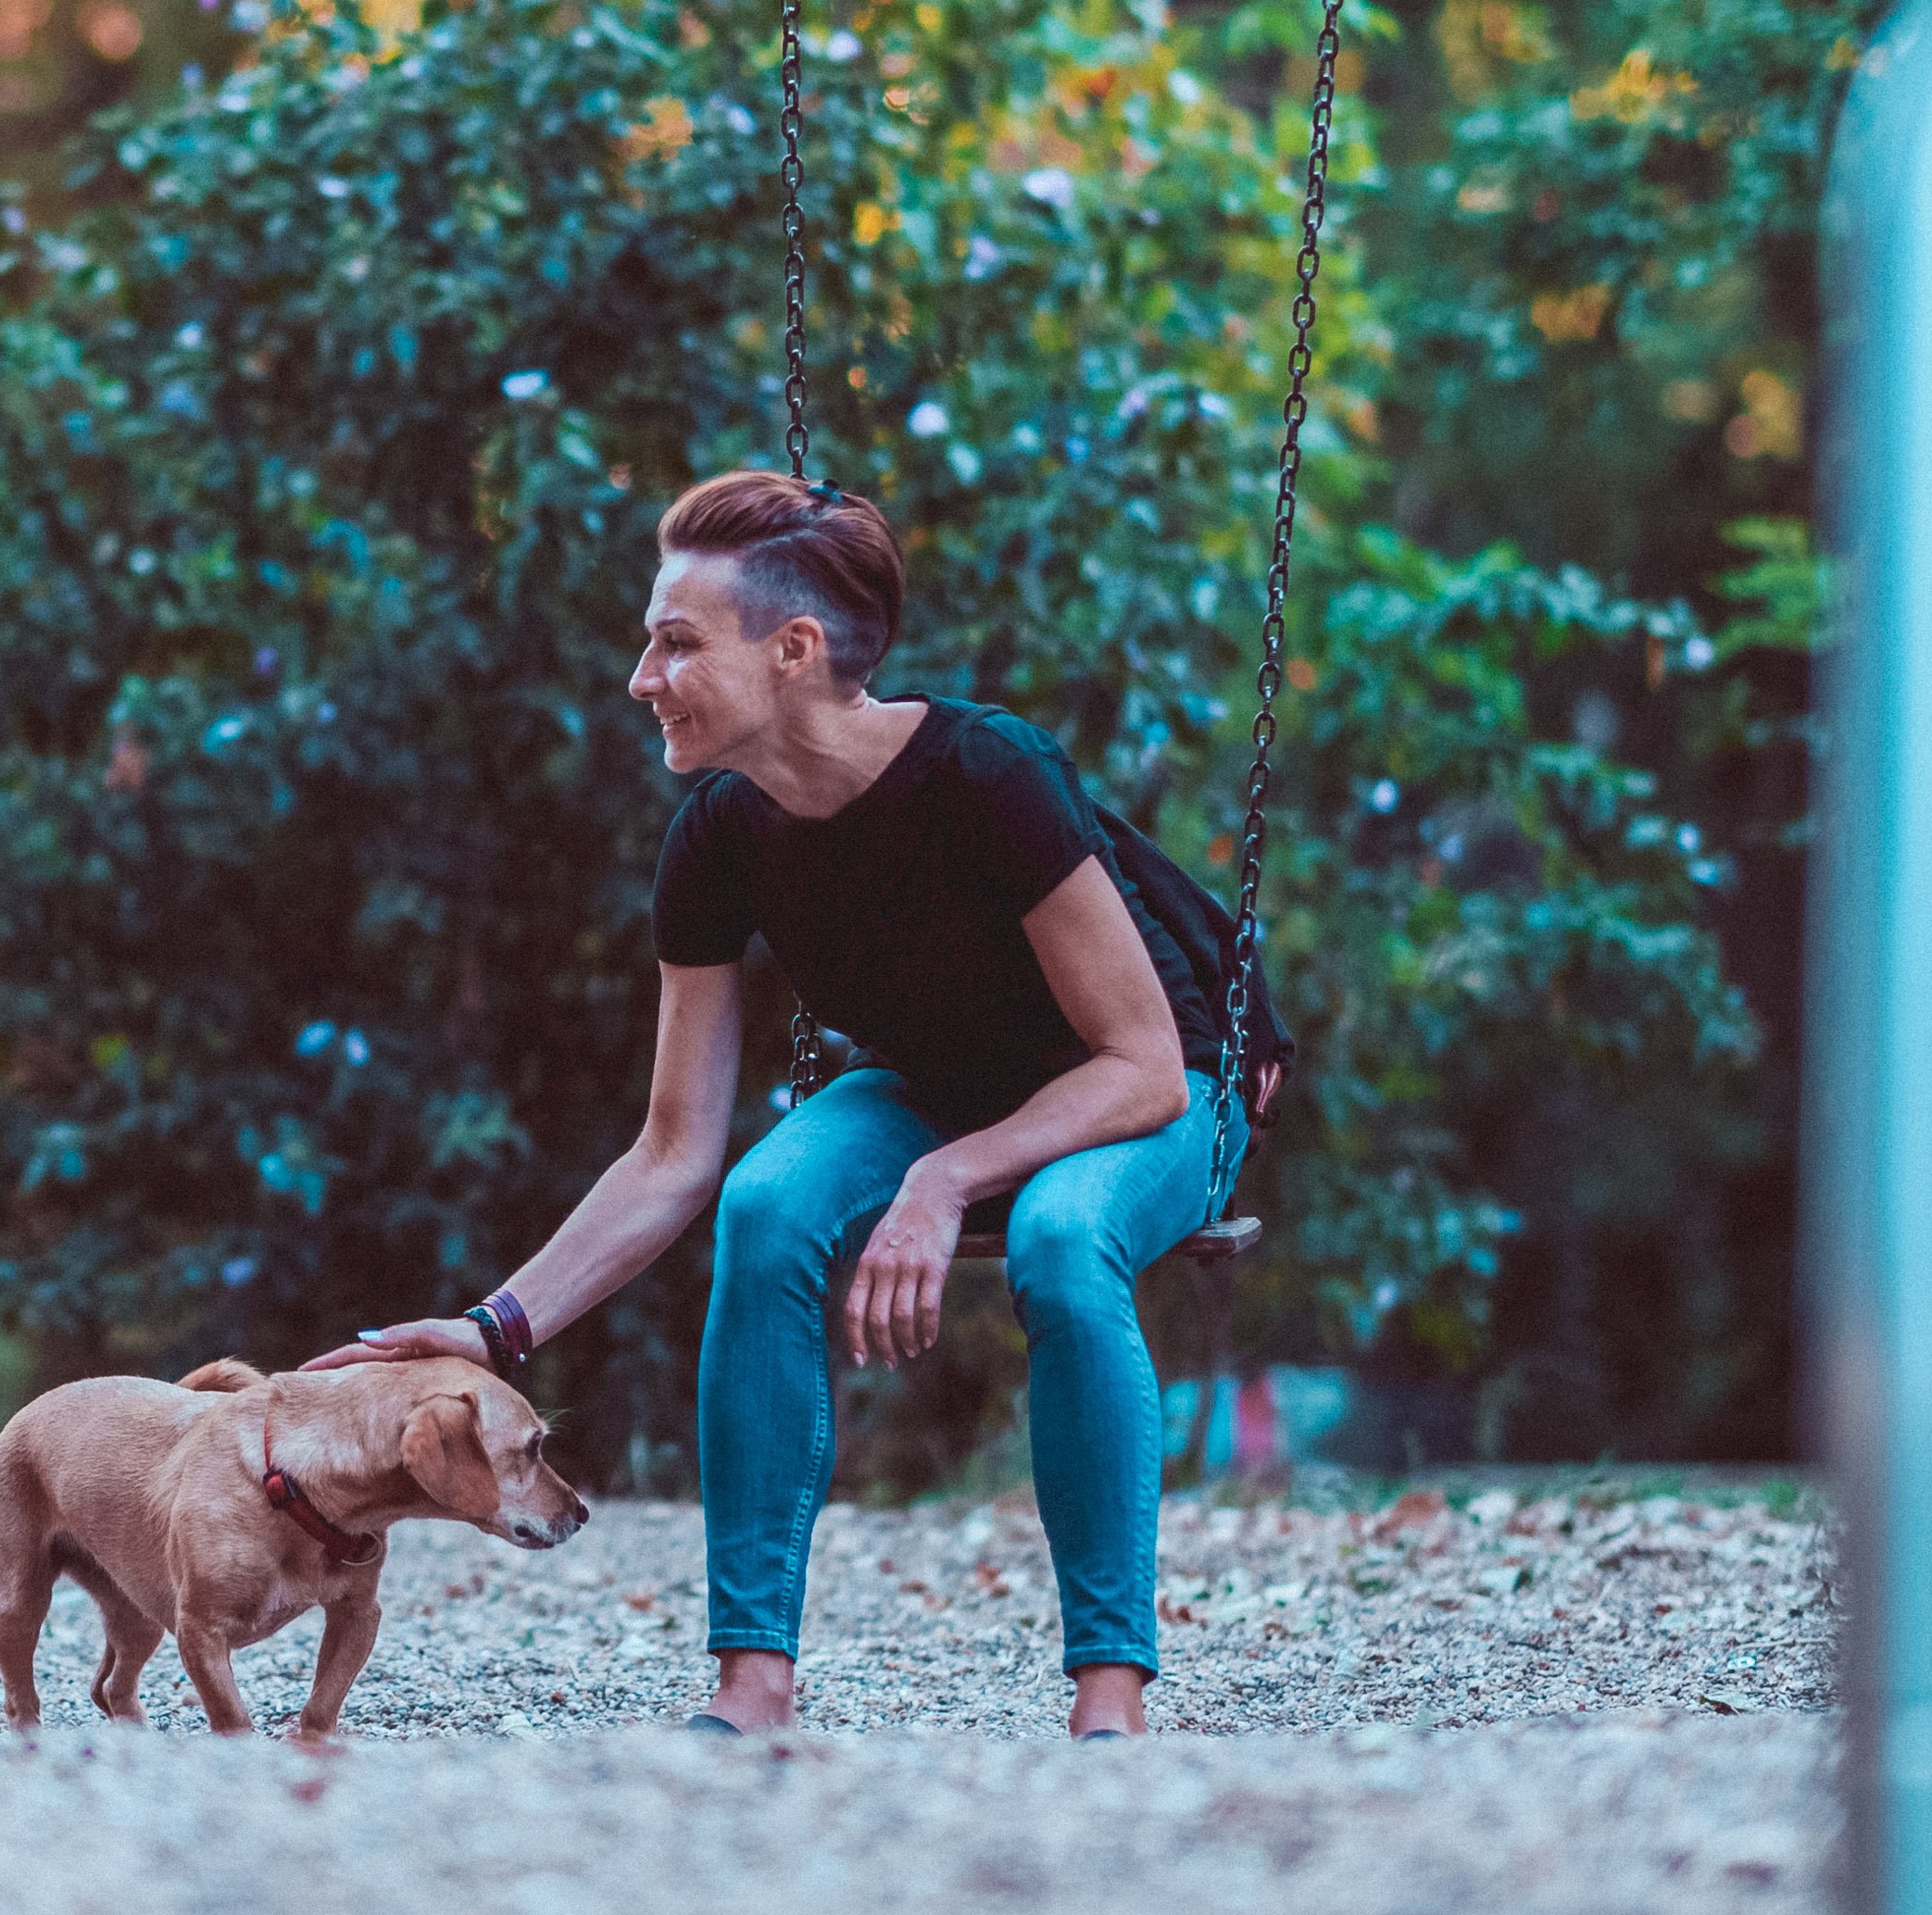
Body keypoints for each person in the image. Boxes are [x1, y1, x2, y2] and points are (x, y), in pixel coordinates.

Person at [319, 471, 1282, 1738]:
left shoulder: (988, 775)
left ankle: (1110, 1697)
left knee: (1059, 1235)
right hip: (938, 1089)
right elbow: (674, 1151)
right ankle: (752, 1686)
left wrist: (944, 1181)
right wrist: (493, 1329)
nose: (642, 679)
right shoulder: (719, 838)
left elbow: (1141, 1065)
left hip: (1153, 1093)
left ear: (795, 651)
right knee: (765, 1202)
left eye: (677, 644)